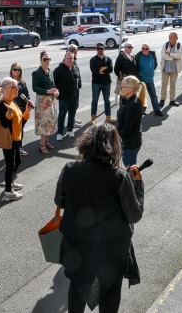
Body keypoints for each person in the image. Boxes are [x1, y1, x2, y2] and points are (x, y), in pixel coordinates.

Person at [55, 123, 144, 313]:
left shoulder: (69, 168)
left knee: (78, 288)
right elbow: (134, 215)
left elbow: (60, 202)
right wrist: (138, 186)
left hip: (77, 244)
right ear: (113, 146)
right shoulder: (119, 176)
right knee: (110, 290)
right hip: (111, 247)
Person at [0, 78, 32, 201]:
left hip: (16, 138)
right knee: (10, 165)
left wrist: (27, 111)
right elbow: (4, 124)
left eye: (17, 87)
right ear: (7, 89)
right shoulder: (3, 104)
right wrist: (9, 113)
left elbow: (20, 122)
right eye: (15, 87)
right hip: (9, 140)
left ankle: (9, 183)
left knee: (18, 161)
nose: (18, 89)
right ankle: (8, 192)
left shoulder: (12, 102)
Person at [117, 76, 146, 171]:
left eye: (122, 87)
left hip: (129, 144)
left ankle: (133, 185)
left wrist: (114, 139)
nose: (120, 89)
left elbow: (126, 128)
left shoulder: (134, 105)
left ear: (131, 89)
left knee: (130, 172)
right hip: (127, 142)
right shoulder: (126, 100)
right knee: (129, 170)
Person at [32, 50, 59, 154]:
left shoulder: (50, 71)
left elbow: (54, 85)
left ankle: (46, 142)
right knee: (44, 124)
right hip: (42, 102)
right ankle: (41, 145)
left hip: (51, 100)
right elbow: (35, 88)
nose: (47, 61)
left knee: (50, 122)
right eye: (45, 59)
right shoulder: (36, 73)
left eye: (48, 59)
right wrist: (47, 91)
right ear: (40, 60)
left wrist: (56, 91)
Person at [54, 53, 81, 141]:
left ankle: (70, 130)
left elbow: (79, 80)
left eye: (71, 58)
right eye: (68, 58)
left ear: (73, 59)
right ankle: (59, 132)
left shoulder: (76, 68)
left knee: (72, 114)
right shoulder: (58, 70)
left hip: (74, 96)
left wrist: (78, 87)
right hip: (63, 98)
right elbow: (54, 83)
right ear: (64, 59)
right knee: (62, 115)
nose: (69, 60)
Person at [90, 42, 115, 125]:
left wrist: (100, 70)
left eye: (101, 48)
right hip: (96, 83)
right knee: (94, 101)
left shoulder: (108, 59)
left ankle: (108, 116)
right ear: (96, 49)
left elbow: (110, 69)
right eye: (98, 49)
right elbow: (94, 70)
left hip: (106, 83)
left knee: (107, 101)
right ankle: (93, 117)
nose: (100, 50)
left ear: (104, 49)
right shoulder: (93, 60)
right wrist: (103, 68)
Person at [134, 43, 162, 116]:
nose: (145, 50)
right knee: (141, 96)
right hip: (141, 80)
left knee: (153, 95)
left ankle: (157, 110)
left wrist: (151, 71)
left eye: (146, 49)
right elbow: (134, 66)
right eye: (143, 49)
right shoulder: (138, 56)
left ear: (149, 49)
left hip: (150, 79)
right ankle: (141, 110)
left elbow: (155, 64)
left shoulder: (152, 55)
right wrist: (138, 73)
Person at [11, 63, 31, 156]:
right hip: (13, 110)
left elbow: (27, 94)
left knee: (20, 129)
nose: (17, 71)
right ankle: (14, 148)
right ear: (11, 70)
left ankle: (19, 147)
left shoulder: (22, 81)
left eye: (18, 70)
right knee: (14, 130)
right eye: (15, 69)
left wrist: (28, 101)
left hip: (23, 109)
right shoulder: (9, 82)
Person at [160, 32, 182, 107]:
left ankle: (172, 100)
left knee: (173, 85)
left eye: (172, 37)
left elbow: (179, 56)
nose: (170, 39)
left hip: (174, 69)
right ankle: (162, 100)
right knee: (164, 85)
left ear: (176, 38)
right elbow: (163, 55)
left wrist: (170, 54)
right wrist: (173, 57)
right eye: (169, 37)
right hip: (165, 69)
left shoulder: (179, 45)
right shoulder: (165, 45)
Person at [66, 44, 83, 128]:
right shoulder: (68, 60)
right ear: (73, 50)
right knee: (73, 106)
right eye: (77, 49)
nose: (78, 51)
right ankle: (72, 122)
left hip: (75, 87)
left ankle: (73, 120)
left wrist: (79, 83)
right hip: (71, 89)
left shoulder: (74, 59)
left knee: (75, 106)